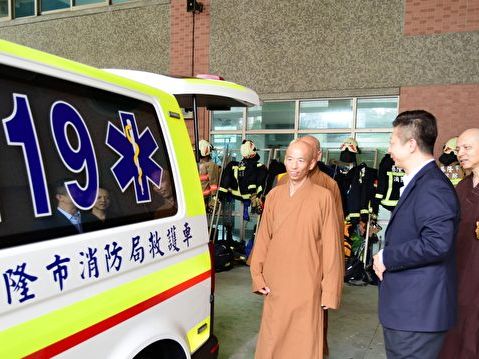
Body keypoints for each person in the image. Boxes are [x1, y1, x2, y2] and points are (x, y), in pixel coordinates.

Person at [372, 110, 459, 359]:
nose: (389, 149)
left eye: (392, 142)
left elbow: (437, 243)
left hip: (418, 313)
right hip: (408, 310)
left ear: (411, 145)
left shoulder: (432, 186)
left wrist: (387, 257)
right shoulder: (420, 181)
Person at [250, 139, 343, 359]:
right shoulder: (274, 196)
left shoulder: (324, 197)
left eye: (300, 160)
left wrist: (329, 290)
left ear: (312, 163)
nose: (294, 166)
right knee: (273, 338)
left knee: (304, 341)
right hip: (276, 280)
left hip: (307, 281)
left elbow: (332, 247)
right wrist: (257, 274)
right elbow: (263, 238)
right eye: (290, 159)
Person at [439, 128, 479, 359]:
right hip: (458, 271)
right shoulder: (460, 188)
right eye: (458, 149)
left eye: (467, 148)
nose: (460, 153)